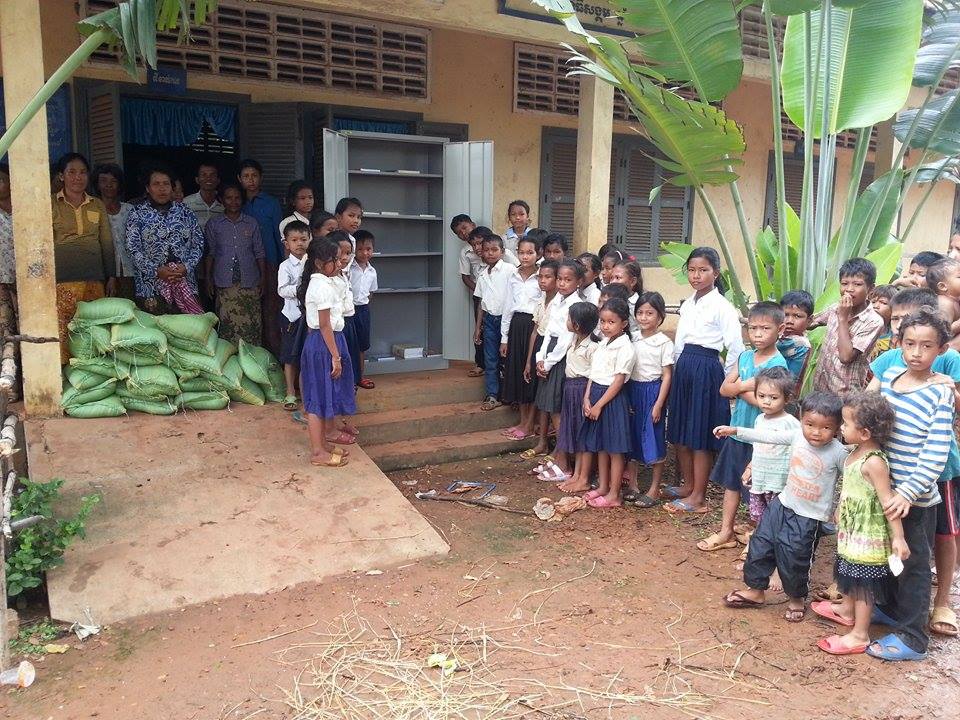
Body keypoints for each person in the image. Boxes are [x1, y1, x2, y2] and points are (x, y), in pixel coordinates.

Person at [867, 308, 955, 661]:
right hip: (883, 489)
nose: (917, 352)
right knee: (885, 555)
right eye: (910, 343)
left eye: (927, 346)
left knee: (915, 565)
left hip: (915, 500)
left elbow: (936, 452)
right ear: (898, 343)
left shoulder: (940, 393)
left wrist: (908, 491)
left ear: (942, 350)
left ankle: (913, 637)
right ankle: (888, 610)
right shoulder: (889, 376)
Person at [719, 392, 847, 623]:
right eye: (810, 424)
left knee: (795, 556)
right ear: (801, 419)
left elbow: (852, 479)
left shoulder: (838, 452)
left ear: (838, 427)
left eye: (825, 427)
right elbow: (767, 437)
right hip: (783, 503)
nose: (816, 432)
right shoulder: (797, 436)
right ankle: (756, 591)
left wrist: (841, 506)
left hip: (809, 515)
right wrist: (736, 430)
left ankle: (796, 598)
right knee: (760, 544)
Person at [811, 391, 908, 656]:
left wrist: (898, 537)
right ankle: (845, 609)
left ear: (864, 433)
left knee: (864, 583)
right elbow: (850, 489)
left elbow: (888, 502)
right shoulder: (855, 452)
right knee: (849, 572)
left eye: (845, 424)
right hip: (853, 530)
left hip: (868, 534)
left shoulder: (874, 462)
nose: (841, 428)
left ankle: (859, 635)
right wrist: (841, 507)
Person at [697, 302, 788, 552]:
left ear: (780, 329)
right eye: (753, 328)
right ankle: (726, 530)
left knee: (762, 491)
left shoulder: (778, 364)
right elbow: (724, 389)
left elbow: (765, 402)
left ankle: (760, 540)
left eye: (765, 329)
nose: (757, 334)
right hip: (737, 433)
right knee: (732, 484)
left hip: (763, 438)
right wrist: (743, 387)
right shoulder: (745, 356)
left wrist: (741, 389)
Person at [664, 247, 744, 514]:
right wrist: (676, 369)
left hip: (707, 369)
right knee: (681, 431)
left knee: (699, 434)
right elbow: (679, 342)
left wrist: (727, 381)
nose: (696, 276)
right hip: (685, 366)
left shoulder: (723, 307)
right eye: (692, 270)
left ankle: (698, 495)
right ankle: (688, 486)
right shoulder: (688, 304)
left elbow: (735, 348)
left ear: (716, 273)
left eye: (703, 270)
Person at [50, 152, 116, 363]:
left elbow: (106, 242)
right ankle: (63, 375)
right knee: (64, 330)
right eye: (71, 172)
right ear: (62, 176)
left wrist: (111, 275)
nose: (77, 177)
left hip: (93, 279)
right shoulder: (51, 203)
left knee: (93, 329)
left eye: (82, 172)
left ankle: (92, 372)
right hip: (62, 280)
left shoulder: (96, 204)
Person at [297, 237, 355, 468]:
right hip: (324, 345)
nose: (340, 263)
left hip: (327, 342)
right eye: (335, 260)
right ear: (321, 263)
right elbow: (323, 325)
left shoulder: (326, 282)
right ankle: (317, 452)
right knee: (316, 400)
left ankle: (322, 444)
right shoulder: (320, 286)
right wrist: (335, 355)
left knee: (323, 396)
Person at [578, 298, 636, 509]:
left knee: (615, 449)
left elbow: (618, 381)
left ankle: (614, 493)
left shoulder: (626, 348)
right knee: (601, 446)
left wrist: (599, 404)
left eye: (611, 322)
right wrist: (587, 398)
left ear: (624, 324)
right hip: (595, 394)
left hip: (611, 399)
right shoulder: (603, 343)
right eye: (602, 321)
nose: (605, 326)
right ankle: (603, 486)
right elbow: (593, 374)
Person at [126, 163, 204, 315]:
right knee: (156, 333)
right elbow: (132, 249)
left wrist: (186, 267)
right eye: (156, 184)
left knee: (187, 332)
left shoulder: (185, 211)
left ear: (172, 187)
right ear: (148, 188)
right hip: (151, 286)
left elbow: (198, 244)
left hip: (184, 282)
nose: (162, 189)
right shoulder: (137, 214)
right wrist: (156, 270)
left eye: (166, 184)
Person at [532, 260, 586, 467]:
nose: (562, 284)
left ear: (579, 282)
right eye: (560, 279)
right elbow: (547, 333)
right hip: (548, 355)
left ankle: (563, 459)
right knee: (552, 408)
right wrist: (540, 358)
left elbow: (564, 340)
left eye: (568, 280)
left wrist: (549, 362)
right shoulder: (557, 300)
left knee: (557, 410)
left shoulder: (575, 305)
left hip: (560, 359)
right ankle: (561, 456)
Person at [623, 291, 674, 508]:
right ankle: (633, 485)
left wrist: (659, 404)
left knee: (654, 437)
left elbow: (667, 375)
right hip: (632, 390)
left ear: (660, 316)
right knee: (632, 436)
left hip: (653, 392)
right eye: (640, 313)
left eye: (650, 313)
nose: (644, 318)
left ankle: (654, 488)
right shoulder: (631, 339)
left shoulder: (663, 343)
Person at [542, 301, 599, 488]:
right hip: (570, 388)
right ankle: (575, 474)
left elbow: (593, 375)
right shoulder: (573, 340)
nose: (566, 321)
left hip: (581, 389)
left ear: (576, 325)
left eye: (568, 318)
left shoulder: (592, 347)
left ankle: (583, 477)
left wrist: (587, 397)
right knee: (573, 431)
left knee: (583, 434)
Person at [809, 257, 884, 396]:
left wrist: (843, 319)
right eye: (844, 283)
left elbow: (846, 356)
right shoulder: (835, 308)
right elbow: (811, 322)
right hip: (820, 389)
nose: (849, 289)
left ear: (871, 289)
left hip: (844, 395)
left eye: (857, 284)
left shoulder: (873, 321)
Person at [735, 367, 798, 528]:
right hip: (760, 480)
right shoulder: (759, 419)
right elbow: (757, 447)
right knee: (759, 517)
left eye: (773, 397)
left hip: (779, 483)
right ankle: (759, 544)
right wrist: (750, 468)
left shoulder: (791, 423)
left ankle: (772, 549)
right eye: (761, 396)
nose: (766, 401)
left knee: (778, 519)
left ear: (787, 398)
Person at [204, 182, 266, 345]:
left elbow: (259, 252)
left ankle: (251, 361)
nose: (233, 202)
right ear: (222, 200)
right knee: (227, 325)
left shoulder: (251, 223)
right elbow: (211, 253)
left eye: (237, 198)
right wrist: (208, 279)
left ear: (242, 200)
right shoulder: (214, 224)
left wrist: (263, 278)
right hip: (224, 282)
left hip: (250, 281)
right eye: (229, 198)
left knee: (251, 325)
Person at [500, 235, 543, 439]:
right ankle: (523, 421)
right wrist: (504, 337)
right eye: (522, 252)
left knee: (531, 375)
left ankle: (529, 424)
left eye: (530, 252)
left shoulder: (542, 277)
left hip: (534, 327)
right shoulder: (513, 276)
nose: (525, 256)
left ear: (538, 254)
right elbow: (508, 306)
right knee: (519, 373)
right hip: (517, 326)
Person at [239, 159, 283, 353]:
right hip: (244, 265)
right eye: (246, 176)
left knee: (271, 311)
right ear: (239, 179)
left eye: (254, 175)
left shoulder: (271, 203)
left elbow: (278, 234)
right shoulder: (235, 202)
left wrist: (283, 265)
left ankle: (274, 356)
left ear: (261, 178)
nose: (251, 180)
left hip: (271, 262)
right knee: (247, 310)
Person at [522, 260, 559, 464]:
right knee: (541, 397)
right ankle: (542, 442)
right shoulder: (541, 300)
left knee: (550, 401)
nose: (543, 281)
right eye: (541, 277)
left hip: (553, 351)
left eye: (548, 277)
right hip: (540, 350)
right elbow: (535, 331)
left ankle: (557, 449)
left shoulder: (561, 303)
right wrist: (529, 361)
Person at [474, 234, 513, 410]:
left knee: (509, 359)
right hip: (489, 321)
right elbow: (481, 304)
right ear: (481, 253)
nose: (490, 253)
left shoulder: (509, 270)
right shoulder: (482, 274)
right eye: (486, 250)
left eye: (494, 250)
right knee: (491, 359)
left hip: (508, 320)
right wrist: (477, 328)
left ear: (502, 251)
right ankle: (492, 395)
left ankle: (509, 395)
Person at [277, 220, 311, 410]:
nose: (299, 243)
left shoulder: (313, 263)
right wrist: (301, 289)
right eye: (295, 240)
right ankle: (290, 393)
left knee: (306, 356)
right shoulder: (285, 266)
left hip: (309, 318)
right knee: (290, 357)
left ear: (309, 240)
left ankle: (307, 395)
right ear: (286, 243)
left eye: (303, 239)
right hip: (291, 317)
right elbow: (282, 290)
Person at [92, 163, 135, 300]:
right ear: (97, 184)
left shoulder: (129, 210)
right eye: (104, 181)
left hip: (131, 271)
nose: (109, 185)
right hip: (103, 273)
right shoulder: (92, 210)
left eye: (113, 181)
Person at [349, 229, 378, 389]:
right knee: (347, 344)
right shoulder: (348, 269)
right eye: (360, 249)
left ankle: (360, 376)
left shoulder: (372, 271)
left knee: (361, 345)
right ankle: (349, 379)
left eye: (368, 249)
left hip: (363, 311)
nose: (364, 253)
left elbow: (371, 293)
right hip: (348, 311)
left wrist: (364, 307)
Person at [332, 232, 359, 394]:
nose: (345, 257)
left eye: (348, 253)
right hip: (335, 328)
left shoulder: (343, 275)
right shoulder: (326, 280)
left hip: (348, 323)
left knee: (348, 361)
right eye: (341, 253)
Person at [777, 289, 814, 396]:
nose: (789, 321)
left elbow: (771, 345)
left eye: (797, 316)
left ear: (809, 321)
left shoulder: (800, 343)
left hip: (786, 394)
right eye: (786, 315)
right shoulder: (784, 337)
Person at [925, 257, 960, 344]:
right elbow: (941, 332)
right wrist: (957, 325)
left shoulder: (955, 300)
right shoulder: (944, 303)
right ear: (943, 286)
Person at [182, 161, 224, 229]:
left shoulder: (224, 205)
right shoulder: (186, 203)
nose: (208, 178)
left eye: (212, 175)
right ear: (197, 180)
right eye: (204, 175)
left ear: (218, 180)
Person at [0, 164, 16, 316]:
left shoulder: (25, 207)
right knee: (6, 323)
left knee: (26, 321)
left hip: (25, 275)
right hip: (2, 276)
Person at [611, 260, 643, 333]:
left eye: (618, 278)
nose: (612, 282)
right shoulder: (610, 300)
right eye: (611, 278)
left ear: (632, 281)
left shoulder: (639, 305)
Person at [868, 284, 897, 361]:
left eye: (883, 303)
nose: (876, 306)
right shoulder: (860, 328)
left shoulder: (894, 336)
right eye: (873, 301)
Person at [334, 197, 364, 261]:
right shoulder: (331, 239)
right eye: (351, 215)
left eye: (359, 217)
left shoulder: (352, 240)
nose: (356, 221)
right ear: (338, 217)